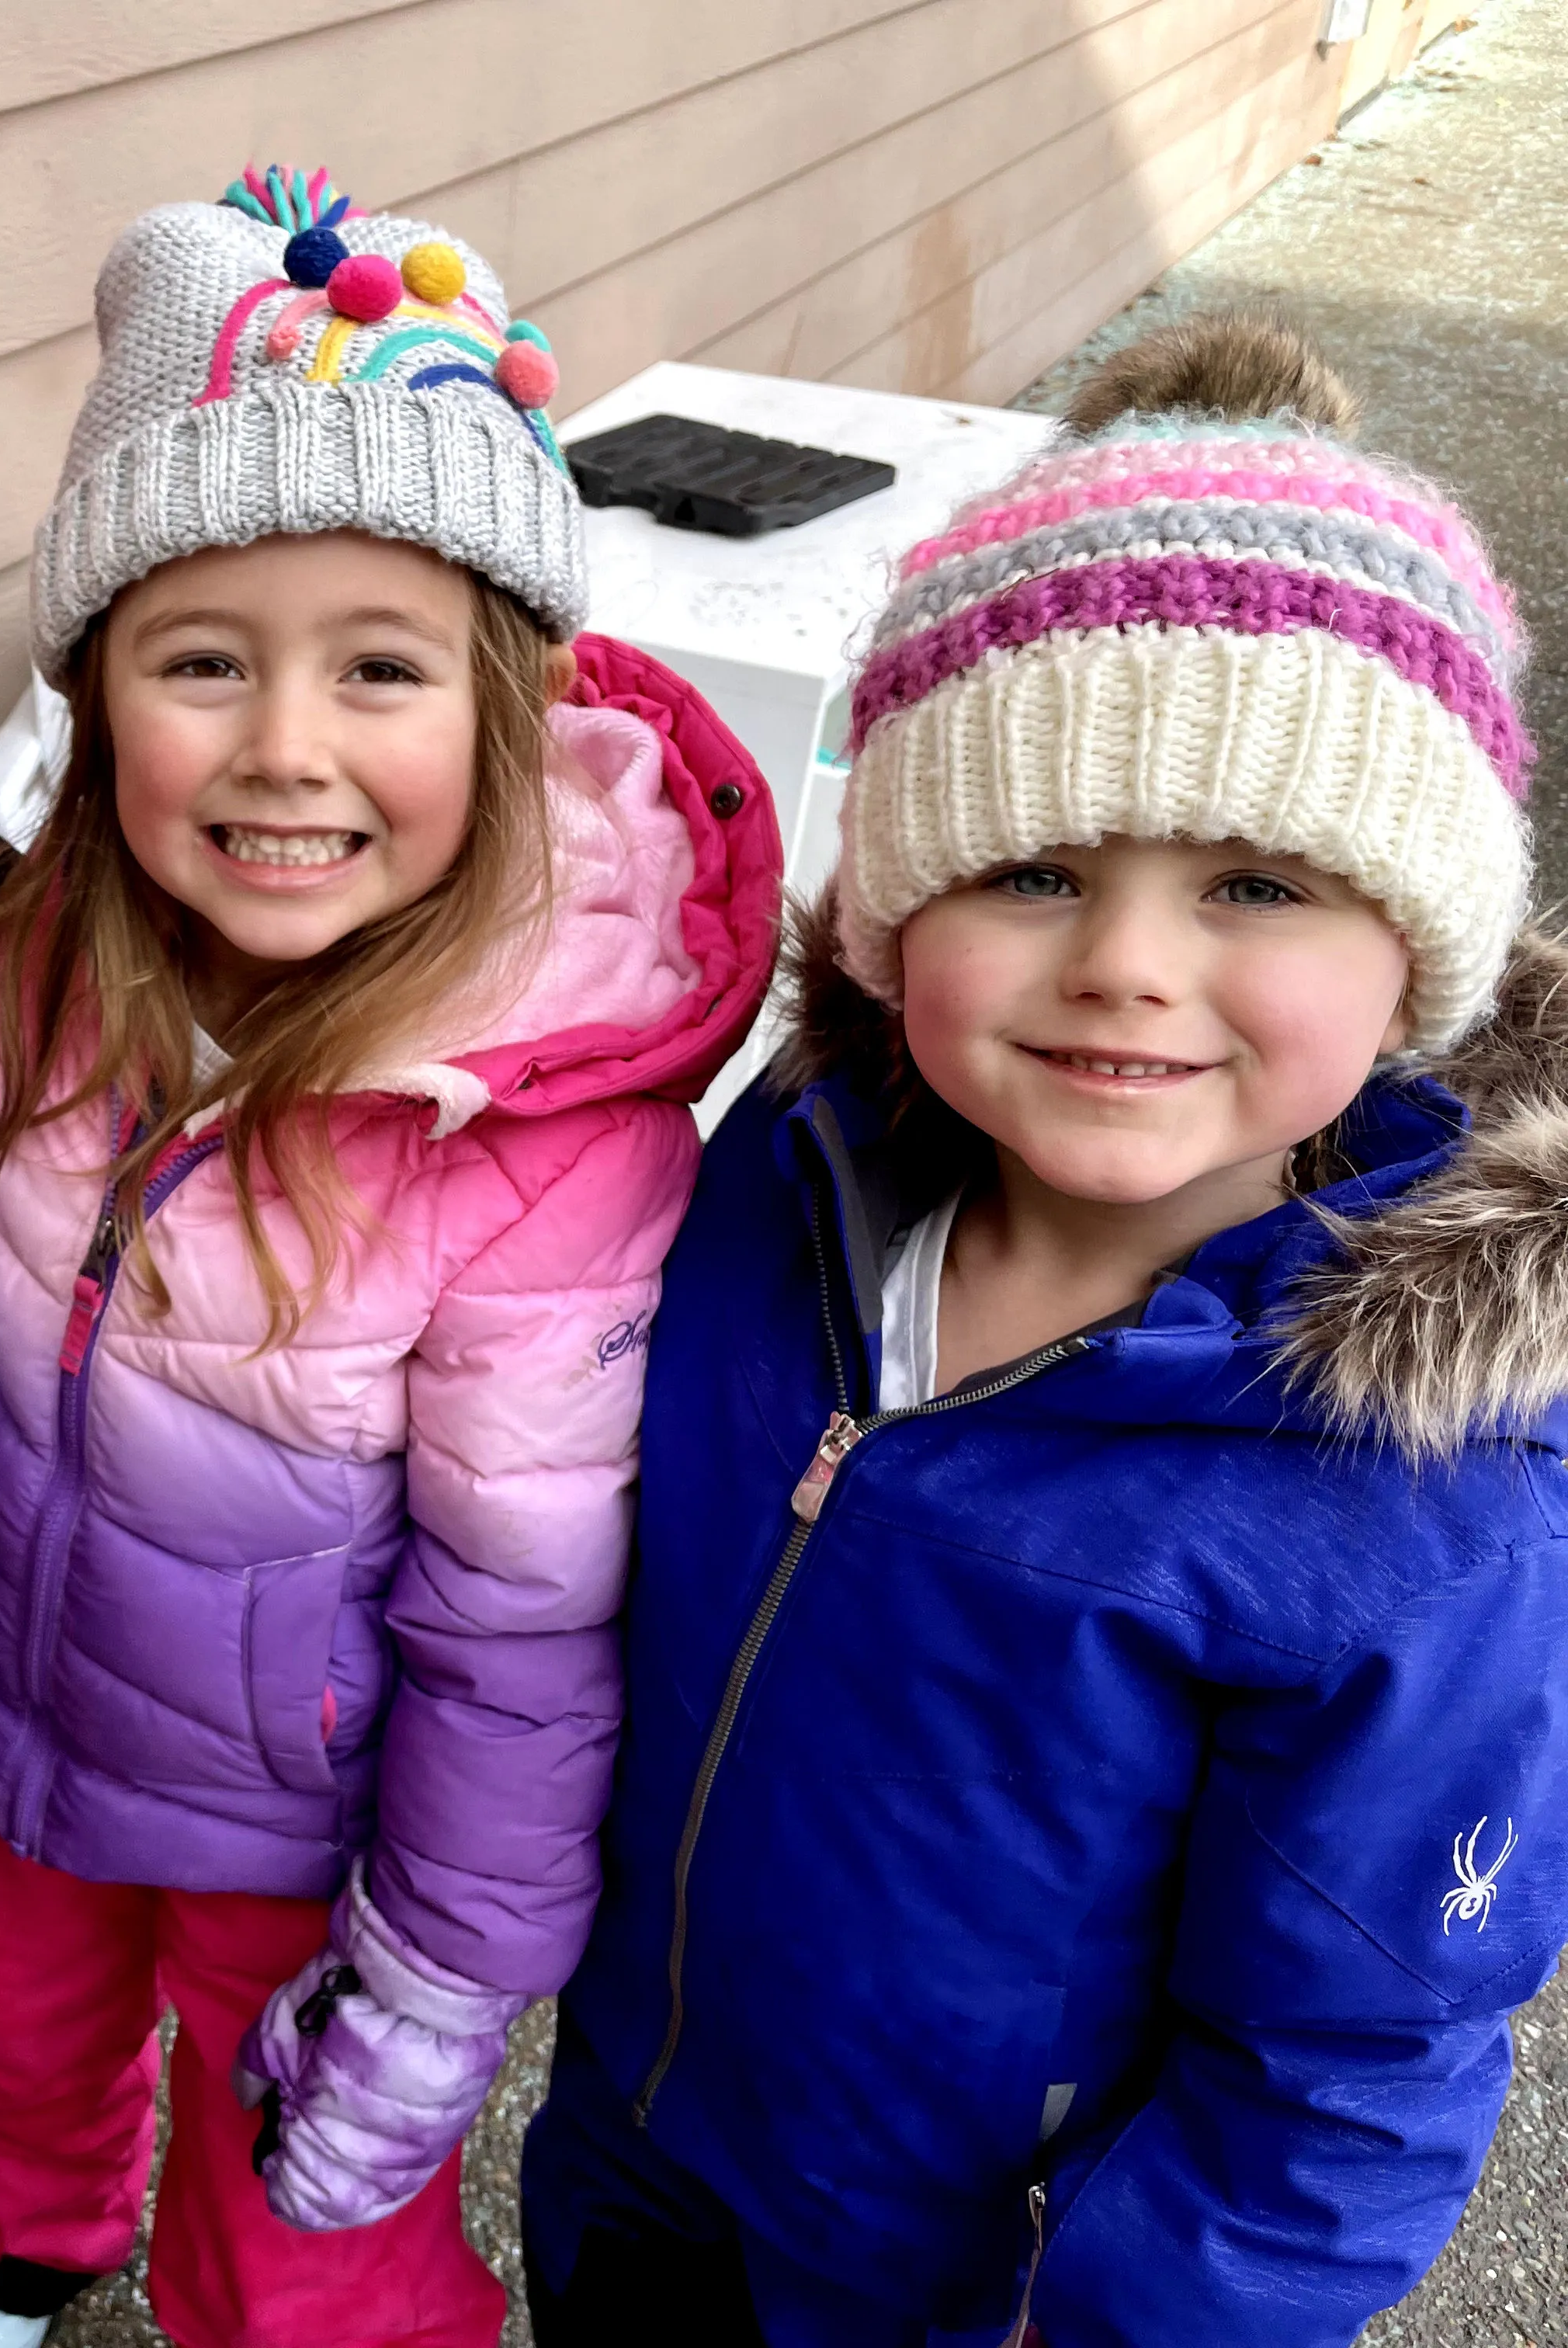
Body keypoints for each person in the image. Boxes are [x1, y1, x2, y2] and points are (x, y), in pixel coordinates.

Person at [0, 167, 783, 2348]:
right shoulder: (45, 957)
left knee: (295, 2220)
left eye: (382, 668)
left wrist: (440, 1962)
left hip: (307, 1844)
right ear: (104, 695)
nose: (287, 747)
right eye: (204, 660)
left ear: (508, 702)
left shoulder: (538, 1144)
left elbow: (525, 1620)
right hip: (22, 1743)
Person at [520, 314, 1568, 2348]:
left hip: (959, 2294)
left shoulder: (1420, 1503)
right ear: (895, 908)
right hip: (636, 2143)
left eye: (1258, 882)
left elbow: (1352, 2066)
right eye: (1033, 865)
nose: (1126, 969)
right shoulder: (771, 1194)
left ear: (1417, 944)